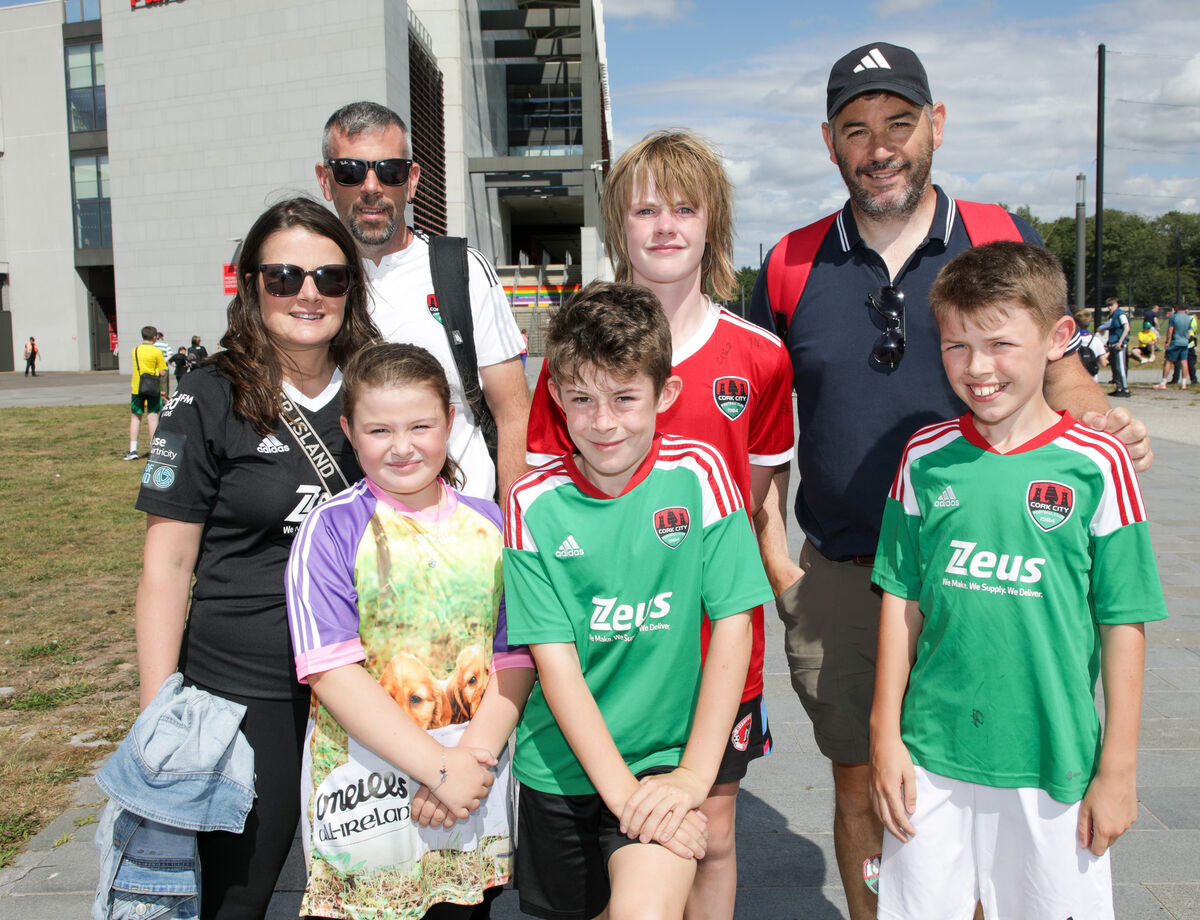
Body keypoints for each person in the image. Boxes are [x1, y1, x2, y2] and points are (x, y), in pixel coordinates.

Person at [748, 41, 1153, 920]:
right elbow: (761, 432)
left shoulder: (999, 232)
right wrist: (781, 568)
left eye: (899, 122)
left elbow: (1061, 362)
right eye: (857, 129)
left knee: (990, 799)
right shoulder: (787, 263)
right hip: (853, 578)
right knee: (867, 788)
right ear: (829, 143)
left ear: (936, 125)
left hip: (992, 571)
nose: (879, 146)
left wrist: (1103, 422)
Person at [525, 129, 795, 919]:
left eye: (685, 206)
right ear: (619, 224)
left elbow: (756, 497)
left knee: (710, 832)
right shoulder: (575, 355)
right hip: (604, 647)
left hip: (712, 646)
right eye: (646, 209)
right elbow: (551, 495)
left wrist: (775, 572)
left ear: (713, 222)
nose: (666, 225)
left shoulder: (761, 356)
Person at [869, 241, 1167, 919]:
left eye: (1000, 344)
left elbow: (1124, 622)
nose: (977, 368)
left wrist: (1117, 768)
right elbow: (901, 601)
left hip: (1053, 760)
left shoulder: (1098, 467)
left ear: (1058, 337)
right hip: (932, 753)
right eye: (956, 346)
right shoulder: (924, 459)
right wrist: (885, 732)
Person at [133, 197, 379, 919]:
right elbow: (166, 568)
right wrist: (158, 713)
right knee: (237, 893)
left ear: (350, 291)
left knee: (382, 888)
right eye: (285, 276)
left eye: (330, 279)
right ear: (252, 286)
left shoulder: (380, 384)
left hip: (371, 676)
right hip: (246, 682)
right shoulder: (208, 397)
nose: (309, 293)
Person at [504, 282, 772, 920]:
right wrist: (620, 795)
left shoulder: (702, 475)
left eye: (625, 397)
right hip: (561, 770)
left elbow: (734, 626)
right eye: (582, 399)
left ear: (665, 396)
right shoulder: (530, 505)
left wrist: (691, 779)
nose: (603, 421)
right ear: (555, 398)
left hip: (663, 765)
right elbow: (556, 664)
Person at [285, 342, 535, 919]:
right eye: (379, 430)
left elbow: (516, 654)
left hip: (473, 786)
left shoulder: (493, 525)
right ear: (349, 430)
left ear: (450, 421)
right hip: (364, 792)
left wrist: (471, 759)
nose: (401, 447)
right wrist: (437, 768)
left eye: (421, 425)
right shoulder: (329, 531)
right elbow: (330, 671)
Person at [317, 101, 530, 501]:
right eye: (349, 171)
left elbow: (513, 413)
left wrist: (509, 527)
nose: (371, 187)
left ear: (412, 180)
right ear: (325, 180)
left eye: (390, 171)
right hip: (352, 538)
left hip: (464, 532)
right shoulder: (305, 283)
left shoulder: (461, 271)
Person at [126, 325, 167, 461]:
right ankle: (154, 449)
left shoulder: (135, 350)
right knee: (152, 416)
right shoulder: (156, 352)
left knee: (135, 417)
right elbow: (162, 371)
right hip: (153, 387)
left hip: (137, 387)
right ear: (154, 337)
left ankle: (133, 450)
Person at [1155, 303, 1191, 390]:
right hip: (1185, 342)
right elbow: (1189, 331)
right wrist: (1187, 339)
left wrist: (1167, 342)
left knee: (1168, 361)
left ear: (1177, 308)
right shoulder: (1188, 318)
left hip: (1175, 342)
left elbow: (1170, 330)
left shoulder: (1174, 317)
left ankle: (1163, 383)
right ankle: (1184, 383)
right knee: (1184, 362)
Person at [1105, 296, 1131, 396]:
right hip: (1113, 343)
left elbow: (1126, 328)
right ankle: (1119, 388)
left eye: (1111, 305)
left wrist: (1121, 341)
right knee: (1115, 367)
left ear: (1117, 304)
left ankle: (1125, 388)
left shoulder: (1120, 314)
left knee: (1121, 367)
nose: (1110, 308)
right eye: (1108, 306)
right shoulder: (1113, 315)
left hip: (1119, 344)